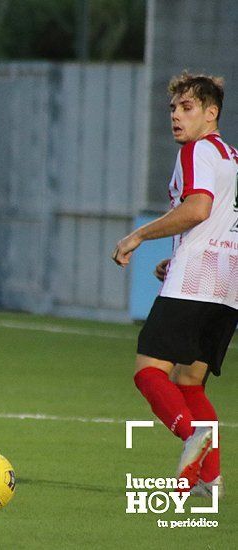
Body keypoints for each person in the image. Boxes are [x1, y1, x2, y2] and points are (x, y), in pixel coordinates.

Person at [113, 72, 238, 495]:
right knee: (189, 381)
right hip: (228, 283)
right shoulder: (233, 158)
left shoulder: (197, 150)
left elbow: (198, 208)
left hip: (197, 279)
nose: (176, 116)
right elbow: (222, 221)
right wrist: (179, 254)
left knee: (148, 373)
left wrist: (139, 235)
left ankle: (192, 439)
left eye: (187, 108)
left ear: (211, 113)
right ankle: (210, 480)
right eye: (173, 108)